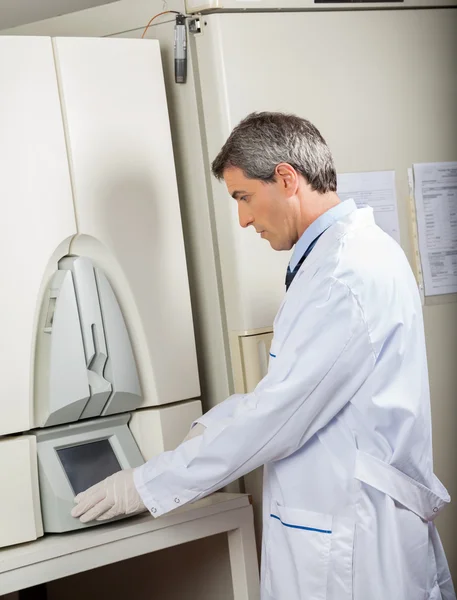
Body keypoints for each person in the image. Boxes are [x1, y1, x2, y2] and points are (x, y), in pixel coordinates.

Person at [72, 112, 455, 600]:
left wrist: (146, 484)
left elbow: (279, 416)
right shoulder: (354, 255)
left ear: (287, 178)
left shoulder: (343, 276)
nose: (244, 219)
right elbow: (295, 393)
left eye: (243, 197)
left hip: (352, 541)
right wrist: (214, 427)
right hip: (350, 522)